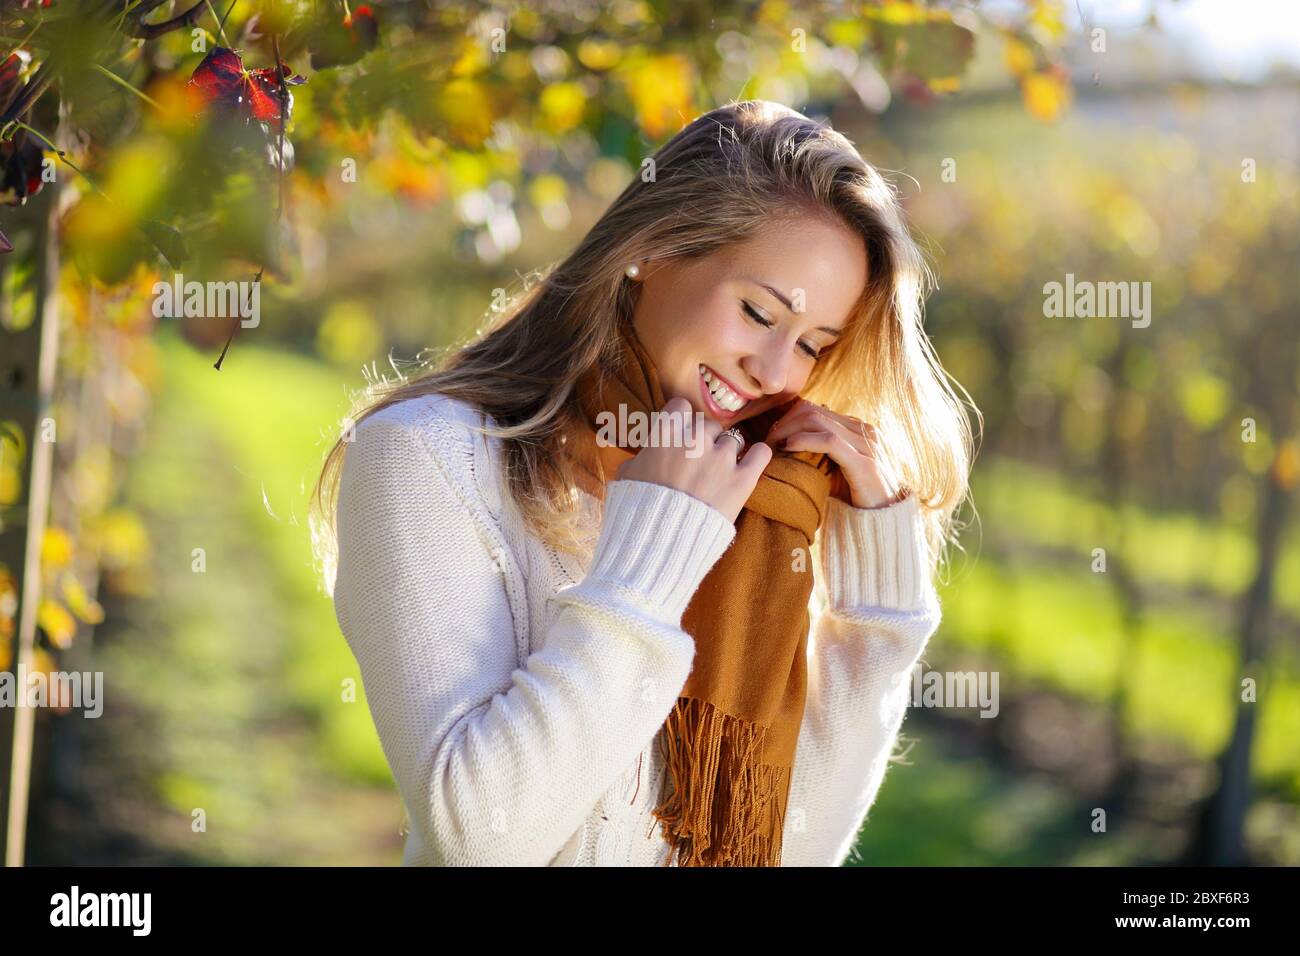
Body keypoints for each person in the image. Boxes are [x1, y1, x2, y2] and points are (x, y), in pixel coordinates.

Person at [310, 99, 978, 866]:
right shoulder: (426, 457)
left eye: (811, 345)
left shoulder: (763, 504)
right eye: (759, 312)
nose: (773, 371)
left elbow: (793, 851)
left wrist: (876, 622)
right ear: (651, 249)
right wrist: (652, 555)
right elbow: (480, 836)